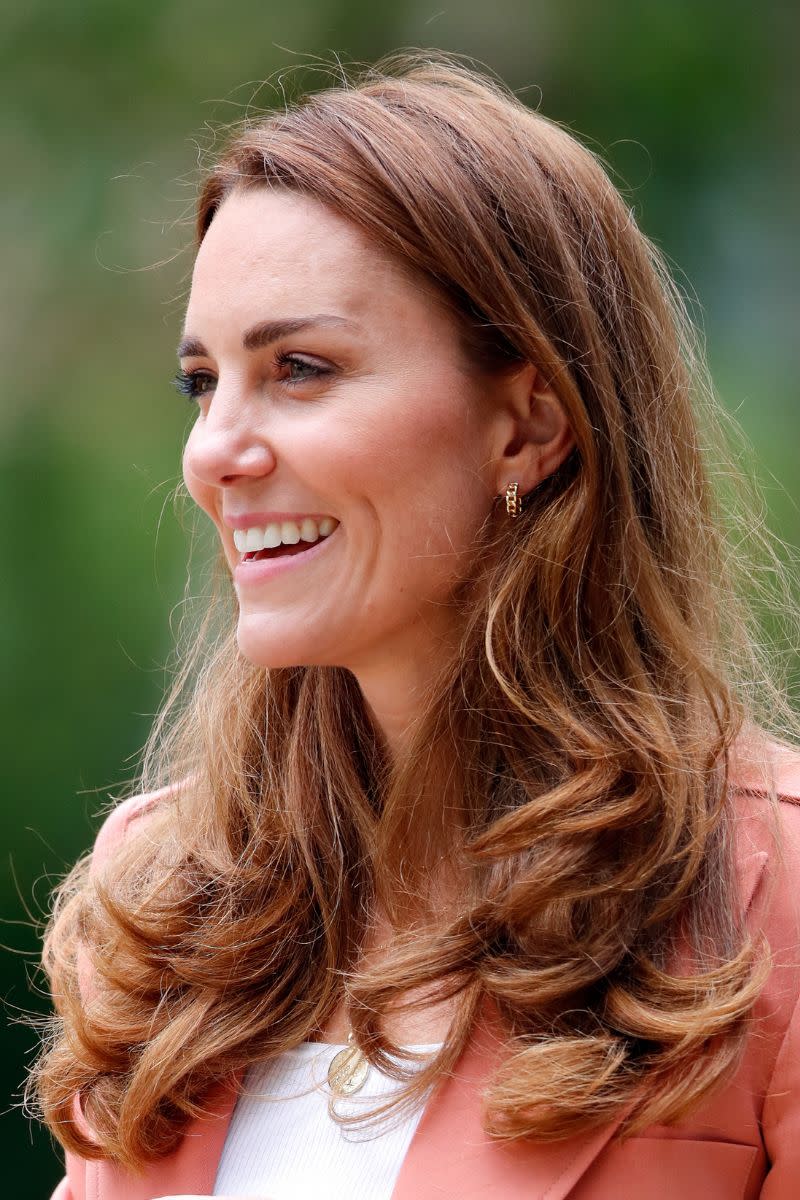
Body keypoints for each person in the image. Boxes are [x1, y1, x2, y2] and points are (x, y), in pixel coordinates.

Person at [30, 52, 800, 1200]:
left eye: (299, 369)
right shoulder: (165, 902)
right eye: (202, 382)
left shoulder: (765, 892)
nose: (215, 455)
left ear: (528, 423)